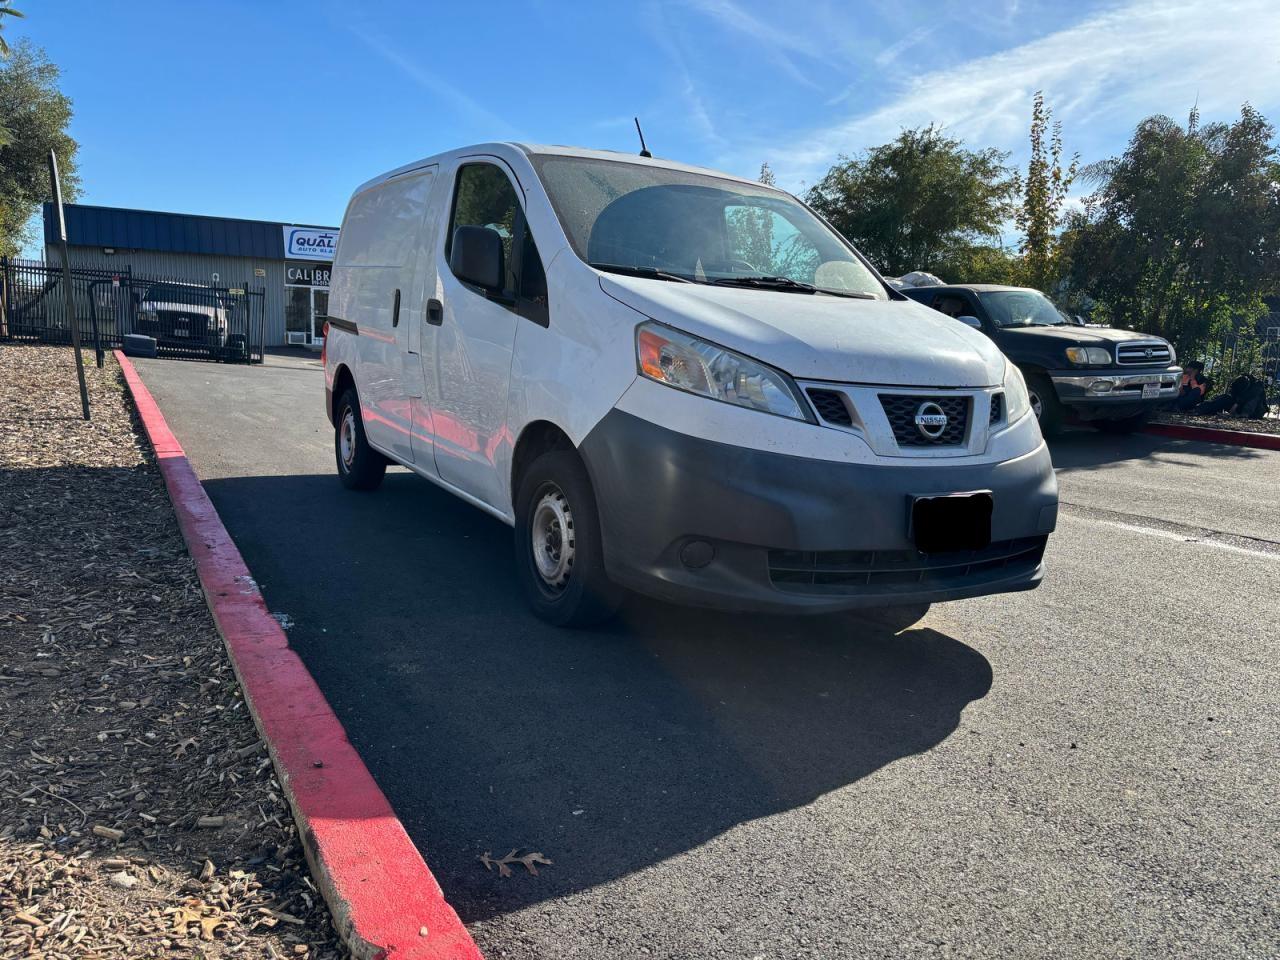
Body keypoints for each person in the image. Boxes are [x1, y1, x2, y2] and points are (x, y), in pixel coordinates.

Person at [1198, 373, 1267, 419]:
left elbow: (1250, 395)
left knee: (1254, 397)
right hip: (1237, 407)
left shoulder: (1257, 385)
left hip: (1255, 411)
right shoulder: (1237, 384)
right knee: (1225, 397)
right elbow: (1231, 395)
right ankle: (1200, 409)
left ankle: (1244, 415)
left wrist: (1237, 403)